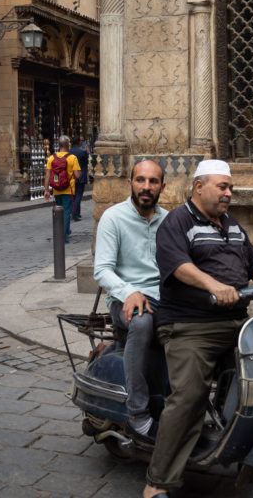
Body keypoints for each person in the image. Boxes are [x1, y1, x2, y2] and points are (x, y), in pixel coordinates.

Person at [144, 160, 253, 498]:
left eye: (230, 188)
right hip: (189, 325)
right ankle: (158, 482)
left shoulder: (233, 225)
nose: (229, 193)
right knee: (189, 395)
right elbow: (179, 266)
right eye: (222, 187)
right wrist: (213, 286)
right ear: (199, 187)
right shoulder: (177, 221)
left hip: (234, 322)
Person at [93, 159, 167, 443]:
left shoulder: (168, 219)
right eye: (140, 180)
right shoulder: (113, 217)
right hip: (125, 300)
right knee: (142, 321)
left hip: (163, 298)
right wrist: (129, 292)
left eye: (153, 181)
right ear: (130, 184)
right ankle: (138, 414)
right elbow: (102, 270)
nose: (146, 187)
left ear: (162, 186)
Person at [43, 135, 80, 242]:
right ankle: (63, 237)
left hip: (57, 190)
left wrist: (46, 190)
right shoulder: (72, 158)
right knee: (66, 213)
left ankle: (66, 230)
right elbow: (77, 175)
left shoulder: (51, 158)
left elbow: (47, 175)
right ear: (68, 145)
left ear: (58, 145)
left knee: (59, 213)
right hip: (69, 190)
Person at [69, 135, 89, 222]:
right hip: (80, 175)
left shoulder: (69, 152)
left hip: (71, 176)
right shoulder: (82, 152)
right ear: (79, 142)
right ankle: (75, 213)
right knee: (78, 196)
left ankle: (77, 212)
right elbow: (86, 163)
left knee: (73, 195)